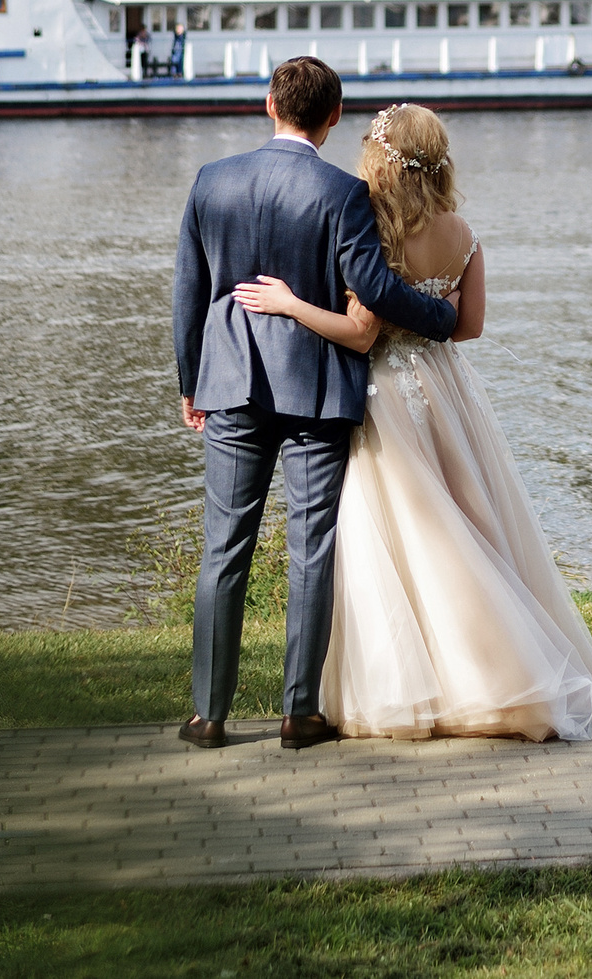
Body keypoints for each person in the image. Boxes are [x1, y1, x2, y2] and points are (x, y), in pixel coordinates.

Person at [232, 104, 592, 743]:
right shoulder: (462, 233)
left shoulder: (371, 229)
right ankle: (505, 666)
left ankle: (423, 686)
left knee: (406, 537)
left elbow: (358, 334)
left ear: (380, 158)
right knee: (473, 524)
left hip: (384, 396)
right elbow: (469, 328)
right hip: (448, 390)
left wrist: (291, 305)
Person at [170, 59, 462, 750]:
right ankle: (298, 713)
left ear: (269, 104)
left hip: (231, 384)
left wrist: (191, 378)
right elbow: (375, 288)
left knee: (223, 551)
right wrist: (443, 317)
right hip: (316, 391)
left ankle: (208, 716)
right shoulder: (342, 192)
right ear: (333, 118)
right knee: (312, 550)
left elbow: (189, 288)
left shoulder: (213, 182)